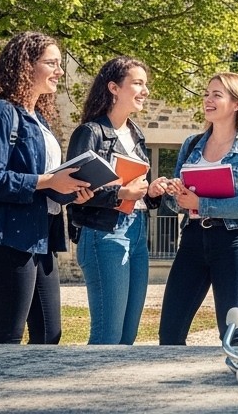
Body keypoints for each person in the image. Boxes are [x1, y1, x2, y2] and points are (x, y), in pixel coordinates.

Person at [0, 31, 94, 344]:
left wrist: (71, 190)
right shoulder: (0, 112)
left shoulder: (39, 119)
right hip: (10, 238)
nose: (60, 71)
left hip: (43, 236)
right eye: (51, 63)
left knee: (50, 336)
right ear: (25, 65)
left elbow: (47, 184)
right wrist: (49, 181)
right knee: (7, 337)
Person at [156, 72, 238, 345]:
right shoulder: (192, 144)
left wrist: (202, 204)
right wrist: (172, 192)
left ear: (236, 104)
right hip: (193, 241)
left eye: (216, 95)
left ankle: (236, 386)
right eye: (206, 94)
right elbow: (177, 204)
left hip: (234, 244)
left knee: (232, 334)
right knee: (169, 332)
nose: (208, 100)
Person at [66, 56, 165, 345]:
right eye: (138, 83)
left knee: (128, 335)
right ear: (113, 87)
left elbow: (138, 187)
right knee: (108, 334)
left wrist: (151, 190)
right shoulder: (90, 133)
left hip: (137, 232)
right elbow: (74, 190)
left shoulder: (137, 134)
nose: (145, 90)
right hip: (104, 235)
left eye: (145, 84)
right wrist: (121, 193)